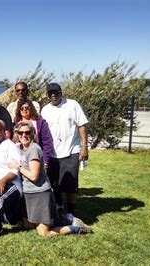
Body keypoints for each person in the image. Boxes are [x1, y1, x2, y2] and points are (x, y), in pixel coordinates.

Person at [8, 121, 91, 236]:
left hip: (39, 193)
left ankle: (75, 228)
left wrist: (18, 167)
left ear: (32, 133)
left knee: (44, 233)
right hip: (28, 193)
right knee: (28, 225)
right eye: (20, 132)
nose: (23, 135)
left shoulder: (34, 149)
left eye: (27, 132)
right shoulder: (21, 148)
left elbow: (34, 176)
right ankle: (61, 219)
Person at [41, 83, 89, 222]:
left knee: (70, 183)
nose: (53, 95)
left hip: (71, 150)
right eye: (50, 93)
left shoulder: (72, 105)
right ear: (47, 95)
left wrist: (85, 146)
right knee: (54, 184)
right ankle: (59, 209)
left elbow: (81, 125)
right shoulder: (45, 110)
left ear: (61, 92)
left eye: (56, 92)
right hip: (52, 153)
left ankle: (71, 212)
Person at [14, 99, 53, 168]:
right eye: (21, 108)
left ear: (31, 109)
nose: (24, 110)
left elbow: (47, 142)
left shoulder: (40, 123)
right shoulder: (16, 124)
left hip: (36, 158)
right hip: (21, 160)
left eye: (27, 108)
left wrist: (45, 161)